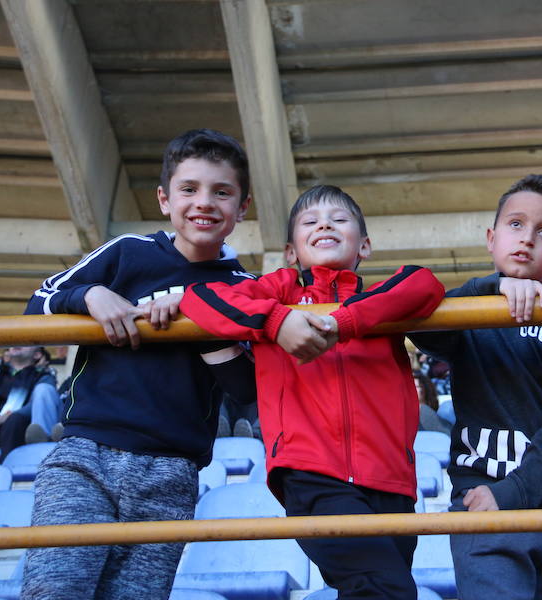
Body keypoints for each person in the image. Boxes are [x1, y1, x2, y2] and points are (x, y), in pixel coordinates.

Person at [20, 129, 258, 600]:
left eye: (221, 191)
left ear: (242, 208)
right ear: (165, 199)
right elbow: (35, 306)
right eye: (189, 189)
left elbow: (248, 390)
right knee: (55, 591)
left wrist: (199, 316)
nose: (204, 202)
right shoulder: (126, 252)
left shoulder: (244, 286)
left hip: (171, 472)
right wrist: (88, 294)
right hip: (86, 455)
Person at [181, 184, 445, 600]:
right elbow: (200, 299)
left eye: (339, 219)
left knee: (371, 589)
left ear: (366, 246)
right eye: (310, 221)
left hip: (391, 479)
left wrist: (345, 321)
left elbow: (425, 283)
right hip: (310, 473)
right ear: (291, 252)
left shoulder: (381, 301)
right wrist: (276, 323)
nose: (324, 224)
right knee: (385, 589)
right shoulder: (280, 293)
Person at [409, 174, 542, 600]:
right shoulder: (466, 315)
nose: (527, 239)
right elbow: (421, 326)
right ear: (491, 238)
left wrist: (514, 493)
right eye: (515, 225)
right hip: (484, 506)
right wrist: (489, 288)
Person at [0, 346, 60, 459]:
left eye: (25, 342)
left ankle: (4, 470)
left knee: (15, 420)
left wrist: (1, 418)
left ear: (37, 354)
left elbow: (35, 406)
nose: (17, 344)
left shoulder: (43, 377)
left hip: (15, 429)